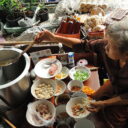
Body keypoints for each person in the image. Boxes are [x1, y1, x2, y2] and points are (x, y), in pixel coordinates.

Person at [34, 16, 128, 128]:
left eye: (110, 47)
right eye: (107, 43)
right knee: (92, 98)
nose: (105, 47)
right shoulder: (106, 45)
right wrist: (54, 37)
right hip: (114, 83)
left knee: (115, 120)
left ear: (126, 54)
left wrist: (104, 104)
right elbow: (82, 45)